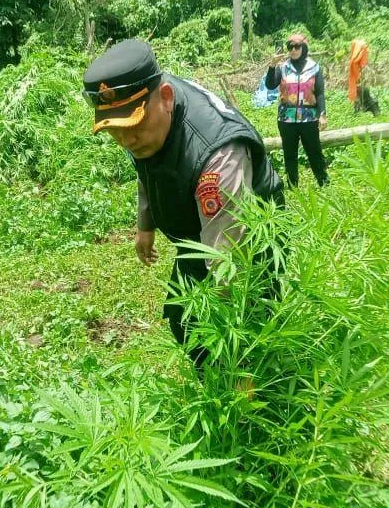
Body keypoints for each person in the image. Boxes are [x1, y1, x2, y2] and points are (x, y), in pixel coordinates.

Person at [83, 39, 285, 367]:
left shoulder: (217, 157)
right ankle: (215, 384)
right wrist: (145, 225)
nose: (126, 140)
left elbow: (227, 265)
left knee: (247, 336)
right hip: (198, 232)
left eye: (132, 127)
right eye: (115, 131)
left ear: (165, 98)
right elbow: (145, 168)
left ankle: (247, 401)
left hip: (248, 242)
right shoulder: (143, 109)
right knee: (184, 318)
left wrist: (227, 338)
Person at [265, 33, 328, 188]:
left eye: (297, 46)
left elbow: (319, 93)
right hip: (287, 120)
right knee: (290, 154)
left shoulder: (314, 68)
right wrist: (272, 66)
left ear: (303, 47)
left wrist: (322, 114)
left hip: (309, 119)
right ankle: (293, 187)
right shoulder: (283, 68)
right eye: (290, 47)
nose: (293, 50)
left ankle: (324, 183)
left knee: (314, 152)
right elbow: (270, 85)